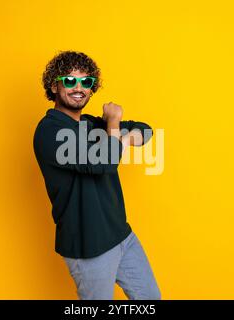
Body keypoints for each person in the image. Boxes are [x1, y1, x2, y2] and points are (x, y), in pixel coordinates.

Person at [33, 51, 161, 300]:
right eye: (69, 81)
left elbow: (145, 131)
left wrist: (120, 139)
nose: (78, 88)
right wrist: (113, 123)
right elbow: (105, 163)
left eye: (86, 82)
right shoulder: (49, 132)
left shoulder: (91, 125)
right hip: (88, 246)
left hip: (122, 236)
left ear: (92, 89)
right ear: (54, 85)